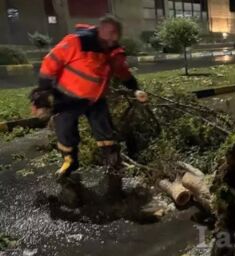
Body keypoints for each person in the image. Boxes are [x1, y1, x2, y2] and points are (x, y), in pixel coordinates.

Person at [29, 15, 148, 178]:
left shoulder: (113, 52)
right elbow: (50, 63)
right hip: (66, 98)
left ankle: (113, 162)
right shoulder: (76, 42)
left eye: (117, 34)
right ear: (100, 30)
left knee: (105, 131)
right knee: (65, 131)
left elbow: (122, 72)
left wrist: (135, 89)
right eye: (111, 32)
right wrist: (42, 93)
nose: (113, 37)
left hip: (95, 100)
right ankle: (69, 162)